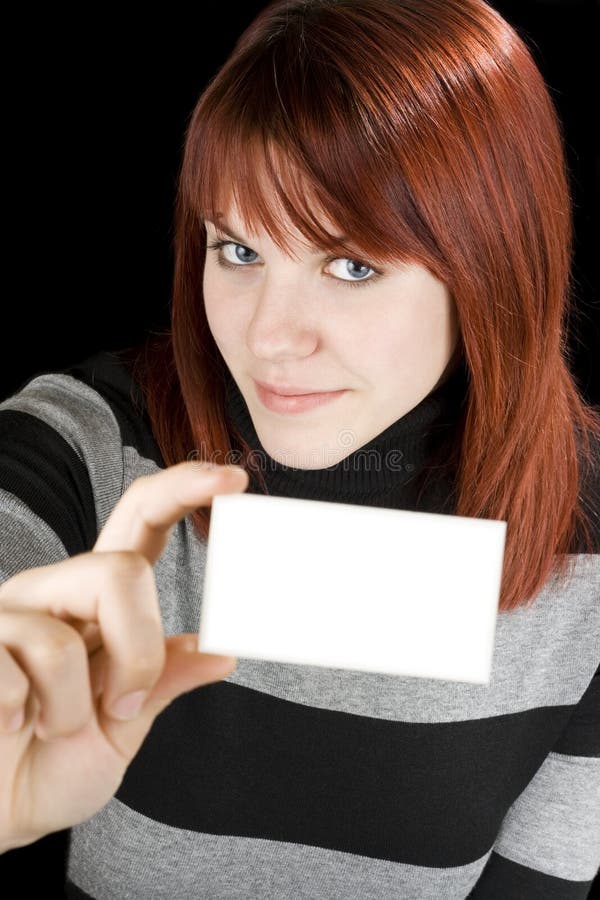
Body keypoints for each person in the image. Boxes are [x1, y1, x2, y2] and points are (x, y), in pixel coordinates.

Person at [1, 0, 599, 897]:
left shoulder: (590, 541)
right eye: (237, 250)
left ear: (493, 265)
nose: (270, 339)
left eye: (351, 265)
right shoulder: (98, 446)